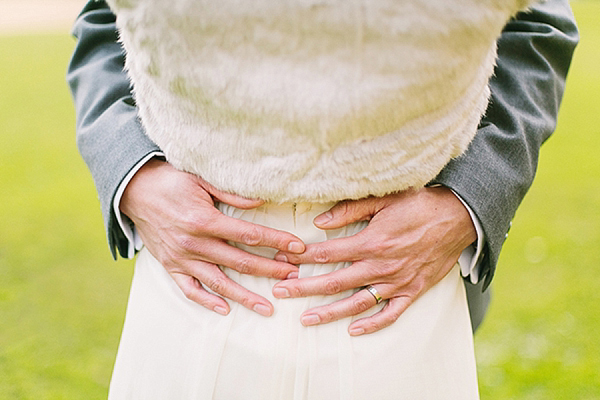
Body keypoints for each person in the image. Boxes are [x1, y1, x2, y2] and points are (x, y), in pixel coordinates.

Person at [67, 0, 578, 398]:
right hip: (199, 257)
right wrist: (135, 175)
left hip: (397, 262)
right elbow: (103, 19)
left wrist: (464, 202)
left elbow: (538, 26)